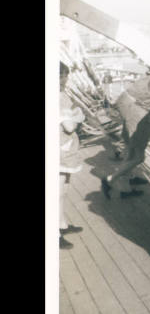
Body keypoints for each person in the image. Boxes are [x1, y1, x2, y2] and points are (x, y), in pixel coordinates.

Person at [101, 60, 150, 199]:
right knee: (139, 157)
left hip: (133, 111)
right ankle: (110, 179)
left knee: (131, 152)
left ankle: (126, 187)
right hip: (139, 115)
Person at [60, 62, 85, 249]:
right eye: (63, 75)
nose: (66, 79)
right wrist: (79, 115)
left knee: (64, 188)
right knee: (58, 192)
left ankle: (61, 224)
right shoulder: (59, 97)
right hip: (60, 147)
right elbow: (69, 126)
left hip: (62, 147)